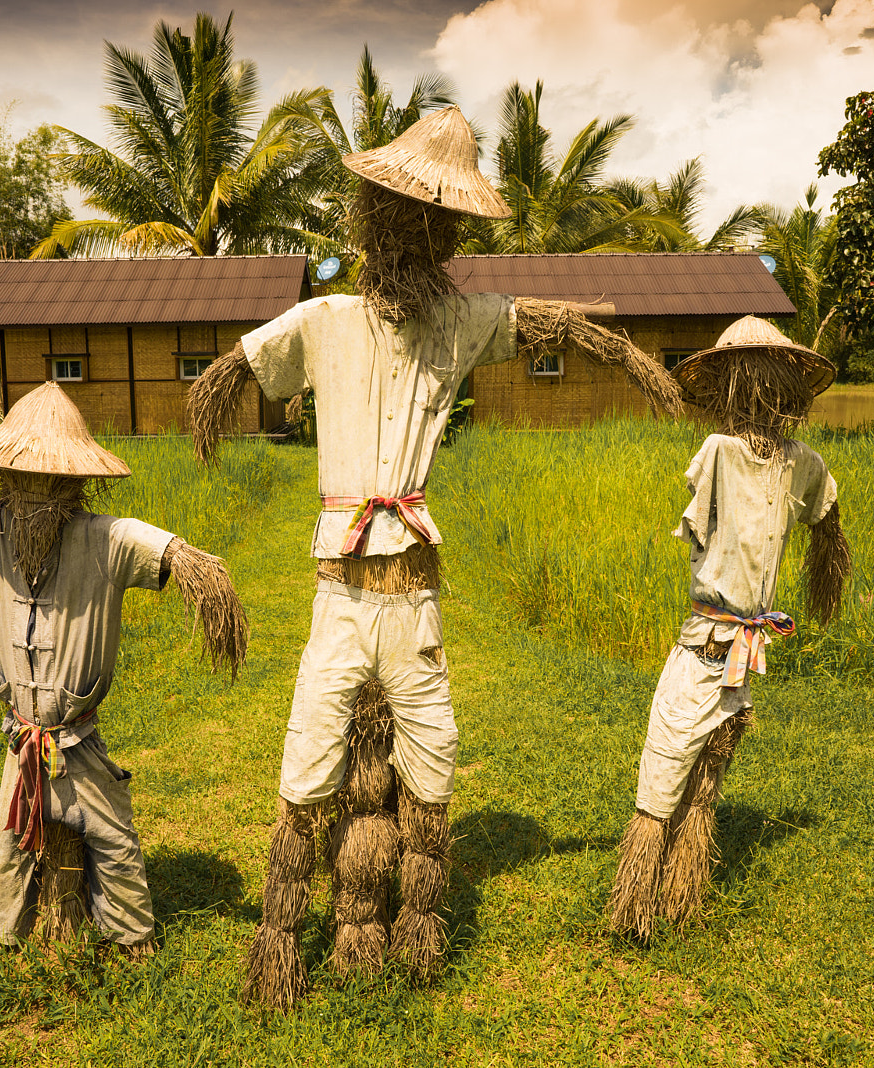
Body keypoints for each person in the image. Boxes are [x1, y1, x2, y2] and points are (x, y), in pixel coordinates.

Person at [186, 105, 683, 1007]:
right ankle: (278, 946)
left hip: (412, 594)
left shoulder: (461, 320)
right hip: (340, 589)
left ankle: (418, 932)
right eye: (403, 217)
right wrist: (213, 400)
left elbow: (551, 324)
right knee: (307, 763)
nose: (418, 234)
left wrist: (634, 360)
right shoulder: (325, 317)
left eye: (436, 223)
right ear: (370, 216)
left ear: (452, 233)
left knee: (431, 762)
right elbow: (239, 365)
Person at [0, 381, 247, 954]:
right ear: (3, 478)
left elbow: (182, 558)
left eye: (54, 482)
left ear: (76, 484)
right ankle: (12, 940)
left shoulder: (104, 538)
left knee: (113, 839)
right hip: (24, 736)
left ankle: (131, 940)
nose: (39, 493)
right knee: (14, 842)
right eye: (25, 481)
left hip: (77, 738)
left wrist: (215, 602)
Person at [607, 315, 852, 937]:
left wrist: (829, 575)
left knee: (712, 758)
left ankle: (681, 887)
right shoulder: (718, 451)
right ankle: (639, 891)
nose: (763, 396)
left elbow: (829, 525)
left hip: (749, 638)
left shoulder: (805, 463)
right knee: (670, 750)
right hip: (709, 636)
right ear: (737, 386)